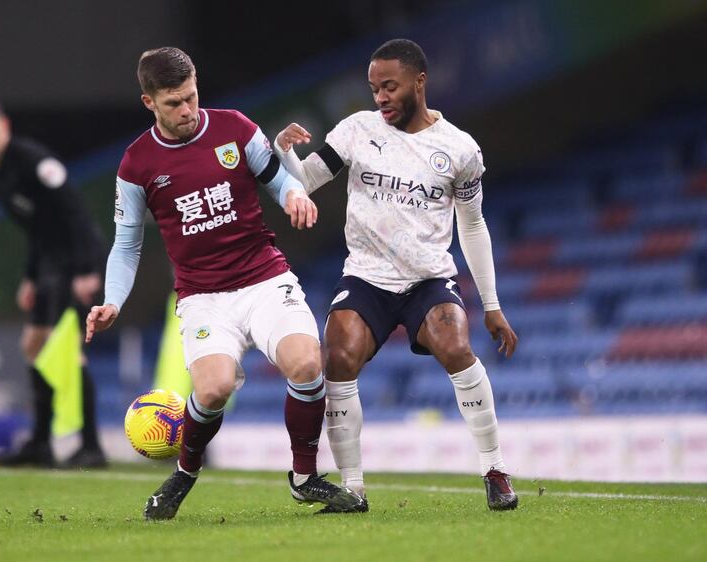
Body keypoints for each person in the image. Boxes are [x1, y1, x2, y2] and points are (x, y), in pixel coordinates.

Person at [85, 47, 364, 520]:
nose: (188, 110)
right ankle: (185, 473)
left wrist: (295, 195)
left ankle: (303, 477)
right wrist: (112, 301)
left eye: (192, 96)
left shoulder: (235, 127)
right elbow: (126, 244)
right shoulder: (136, 165)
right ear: (149, 102)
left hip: (264, 277)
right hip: (204, 297)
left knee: (306, 363)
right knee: (212, 390)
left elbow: (280, 180)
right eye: (174, 103)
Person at [274, 39, 520, 512]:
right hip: (366, 276)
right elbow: (304, 182)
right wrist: (285, 154)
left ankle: (495, 470)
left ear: (419, 82)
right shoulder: (356, 130)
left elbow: (472, 224)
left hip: (428, 279)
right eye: (374, 88)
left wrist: (491, 305)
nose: (380, 97)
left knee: (456, 348)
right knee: (339, 357)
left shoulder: (459, 149)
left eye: (389, 86)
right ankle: (353, 488)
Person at [0, 98, 107, 468]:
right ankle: (41, 443)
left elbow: (75, 209)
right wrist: (30, 276)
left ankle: (91, 447)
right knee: (34, 345)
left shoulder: (33, 161)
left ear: (4, 126)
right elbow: (37, 230)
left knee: (67, 349)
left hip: (74, 262)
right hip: (50, 265)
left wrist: (88, 269)